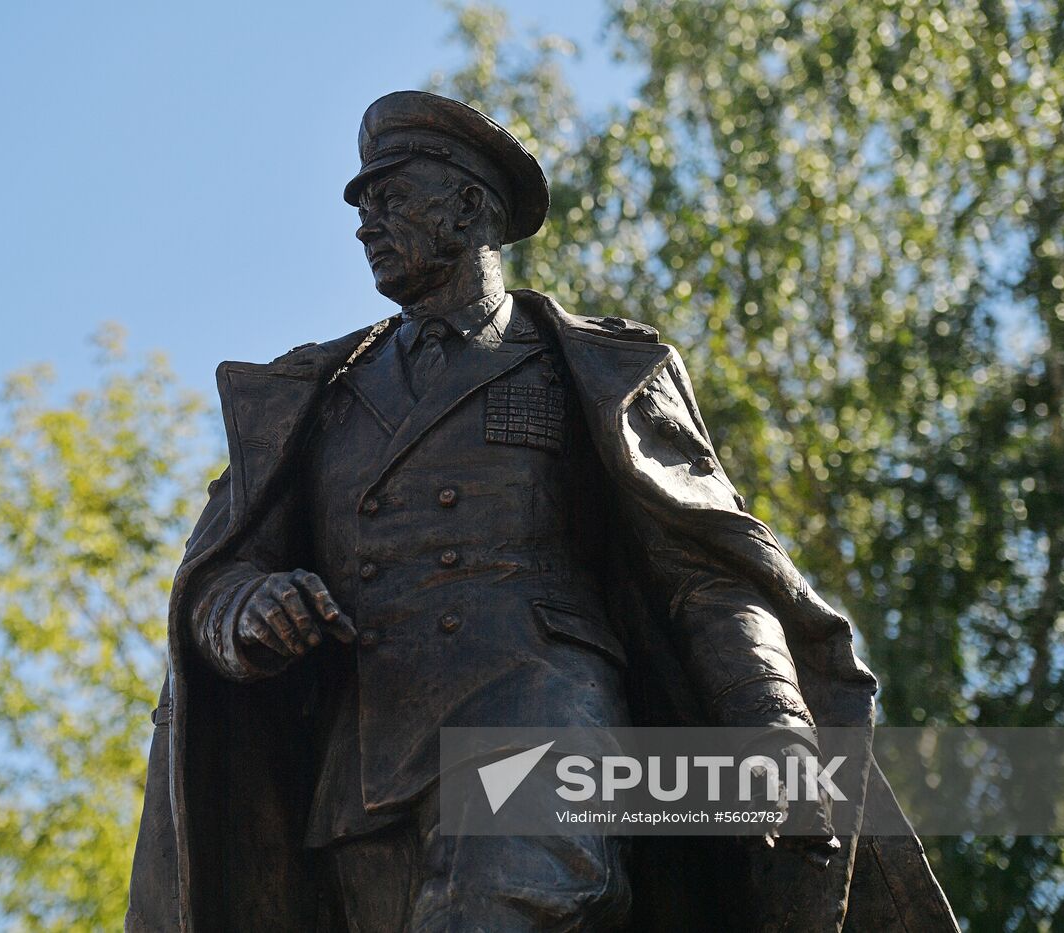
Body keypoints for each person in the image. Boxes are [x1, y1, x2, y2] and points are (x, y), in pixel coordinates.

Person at [125, 90, 956, 932]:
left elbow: (708, 570)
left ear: (469, 205)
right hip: (364, 766)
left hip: (541, 711)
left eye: (390, 198)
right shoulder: (314, 399)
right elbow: (216, 574)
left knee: (501, 908)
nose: (365, 224)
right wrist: (247, 607)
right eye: (362, 206)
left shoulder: (592, 363)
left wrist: (774, 719)